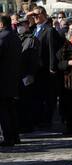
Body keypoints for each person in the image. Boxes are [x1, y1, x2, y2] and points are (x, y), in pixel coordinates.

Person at [27, 6, 61, 127]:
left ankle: (46, 120)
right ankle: (38, 118)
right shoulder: (35, 29)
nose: (34, 18)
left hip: (46, 69)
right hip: (36, 68)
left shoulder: (49, 30)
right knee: (37, 95)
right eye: (33, 16)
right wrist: (29, 16)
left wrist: (52, 68)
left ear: (43, 15)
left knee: (47, 96)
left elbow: (52, 51)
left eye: (36, 15)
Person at [0, 15, 22, 146]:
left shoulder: (2, 37)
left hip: (2, 79)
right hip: (12, 78)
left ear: (2, 24)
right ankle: (15, 136)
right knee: (10, 109)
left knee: (3, 110)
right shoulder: (14, 36)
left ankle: (6, 137)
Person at [16, 18, 40, 133]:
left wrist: (31, 74)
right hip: (18, 74)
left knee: (27, 101)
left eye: (21, 25)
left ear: (26, 26)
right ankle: (21, 123)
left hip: (27, 74)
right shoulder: (17, 37)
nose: (18, 27)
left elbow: (34, 59)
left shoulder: (32, 39)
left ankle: (28, 125)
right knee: (20, 101)